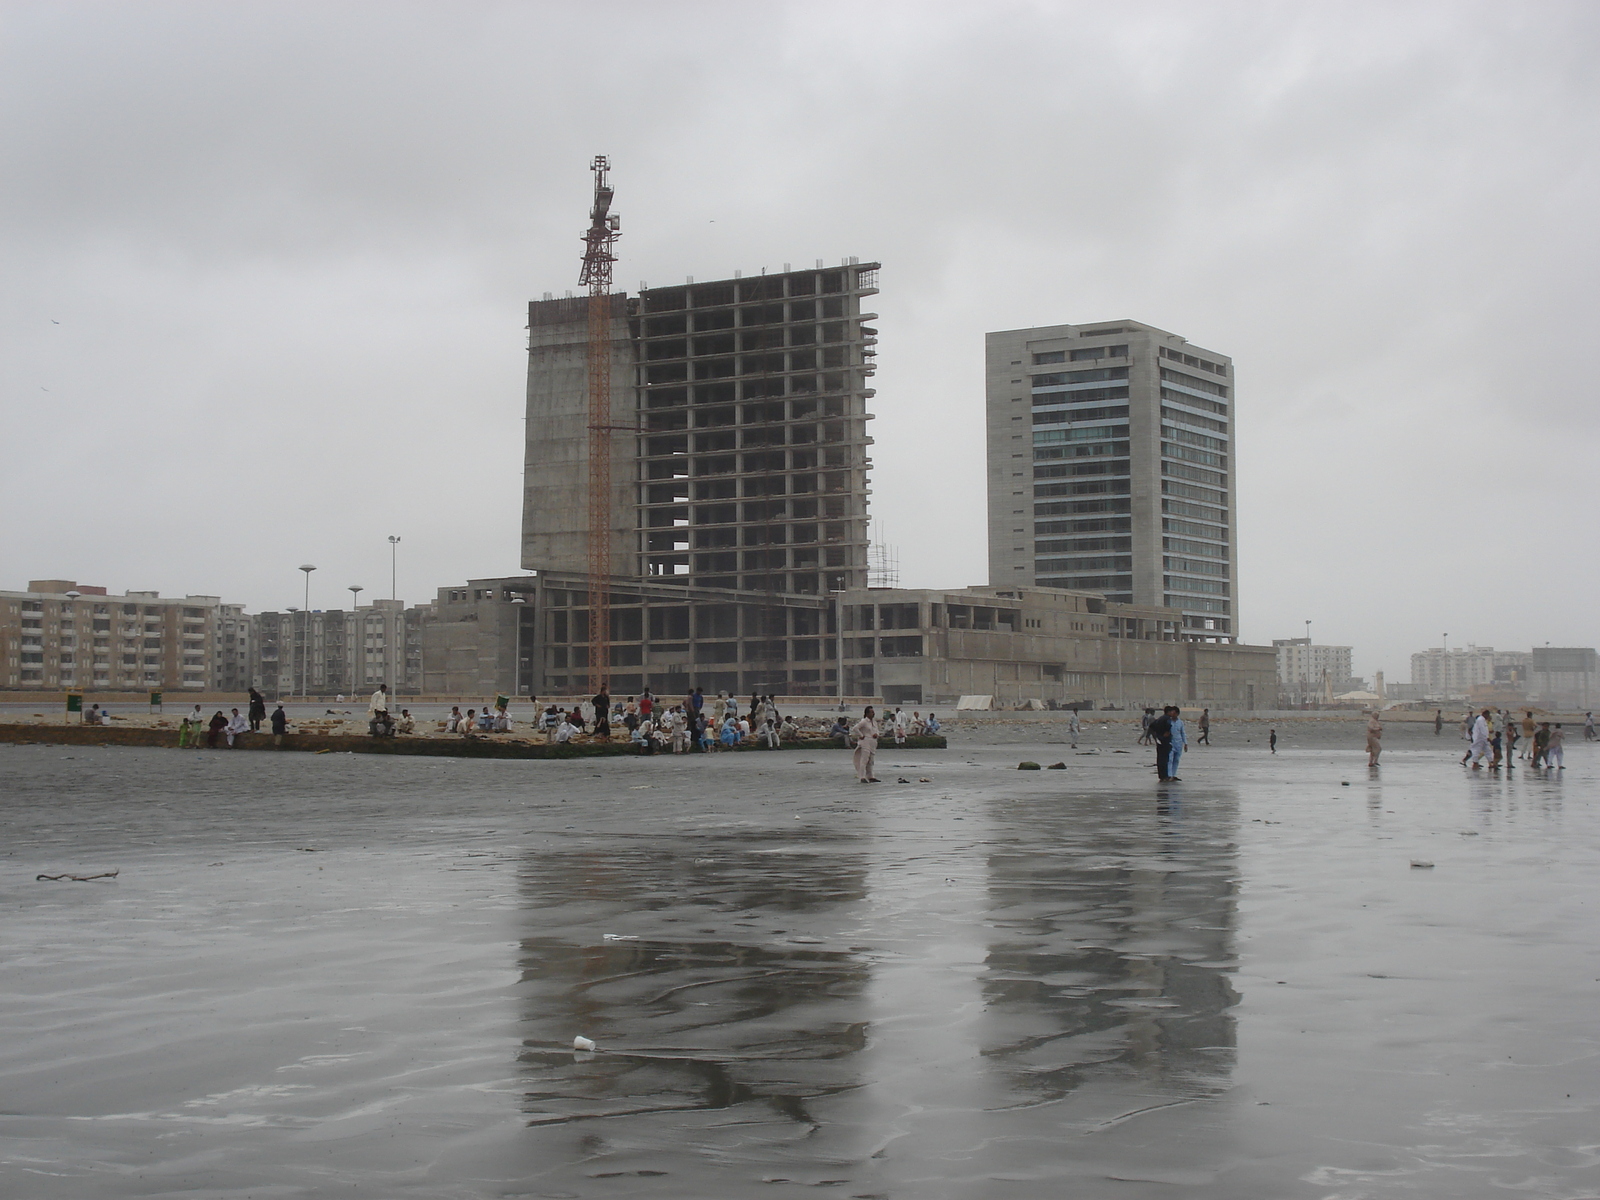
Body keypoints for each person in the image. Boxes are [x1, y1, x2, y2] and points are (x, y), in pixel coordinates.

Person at [850, 706, 881, 783]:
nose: (873, 713)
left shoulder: (874, 722)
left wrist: (876, 734)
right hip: (865, 742)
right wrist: (861, 735)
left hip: (873, 742)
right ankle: (862, 777)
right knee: (864, 760)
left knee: (871, 761)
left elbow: (877, 730)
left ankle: (870, 776)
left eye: (873, 712)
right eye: (871, 712)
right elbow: (855, 728)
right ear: (867, 713)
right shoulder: (864, 721)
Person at [1149, 705, 1174, 780]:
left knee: (1160, 758)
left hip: (1159, 740)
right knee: (1165, 759)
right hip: (1165, 741)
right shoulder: (1167, 719)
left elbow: (1151, 726)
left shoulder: (1159, 718)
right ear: (1168, 712)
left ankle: (1161, 775)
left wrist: (1156, 735)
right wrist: (1166, 733)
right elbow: (1169, 727)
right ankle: (1165, 775)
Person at [1166, 706, 1189, 780]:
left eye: (1174, 712)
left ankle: (1174, 774)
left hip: (1179, 743)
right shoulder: (1168, 721)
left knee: (1176, 759)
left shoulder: (1180, 722)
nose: (1172, 713)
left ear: (1177, 713)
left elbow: (1183, 733)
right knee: (1170, 759)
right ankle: (1169, 775)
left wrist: (1185, 743)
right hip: (1170, 743)